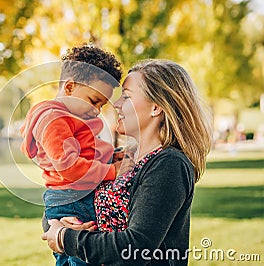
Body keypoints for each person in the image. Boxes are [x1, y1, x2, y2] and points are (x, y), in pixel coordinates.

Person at [42, 59, 212, 265]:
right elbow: (64, 198)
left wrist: (65, 238)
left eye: (127, 96)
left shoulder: (169, 164)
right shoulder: (120, 158)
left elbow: (136, 246)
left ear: (156, 107)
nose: (115, 104)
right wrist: (59, 223)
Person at [20, 44, 134, 266]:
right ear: (70, 87)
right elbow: (70, 166)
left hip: (75, 195)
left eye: (101, 105)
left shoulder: (71, 118)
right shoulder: (53, 120)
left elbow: (87, 150)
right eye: (93, 100)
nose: (97, 110)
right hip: (72, 199)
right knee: (81, 257)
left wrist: (111, 156)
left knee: (80, 256)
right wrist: (112, 171)